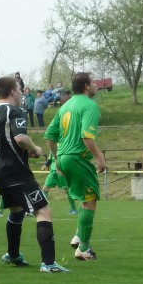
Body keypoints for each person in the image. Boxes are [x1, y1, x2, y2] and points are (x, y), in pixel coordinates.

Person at [0, 76, 70, 272]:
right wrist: (35, 149)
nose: (21, 93)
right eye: (19, 90)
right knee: (44, 211)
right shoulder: (14, 111)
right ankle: (48, 263)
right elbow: (21, 138)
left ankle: (13, 255)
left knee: (17, 211)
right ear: (12, 92)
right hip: (16, 172)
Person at [44, 72, 107, 261]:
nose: (96, 85)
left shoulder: (66, 106)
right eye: (93, 82)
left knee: (84, 198)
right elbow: (87, 136)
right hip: (78, 158)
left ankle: (79, 236)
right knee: (90, 200)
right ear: (86, 85)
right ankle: (84, 248)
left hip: (64, 157)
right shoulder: (90, 106)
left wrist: (57, 159)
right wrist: (100, 158)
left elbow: (50, 136)